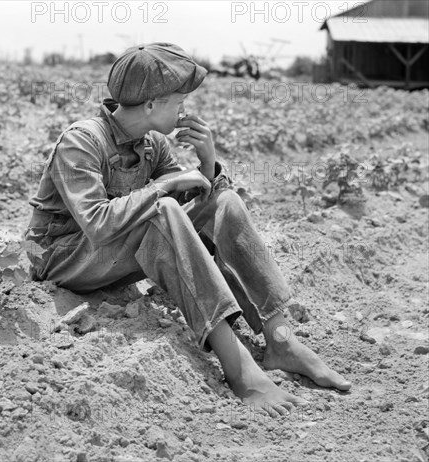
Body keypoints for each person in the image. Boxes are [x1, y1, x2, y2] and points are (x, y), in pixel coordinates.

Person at [25, 43, 351, 417]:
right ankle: (238, 365)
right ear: (151, 104)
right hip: (63, 258)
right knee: (161, 208)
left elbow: (195, 205)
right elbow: (99, 224)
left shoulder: (151, 144)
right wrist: (163, 187)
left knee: (223, 203)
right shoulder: (82, 140)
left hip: (111, 255)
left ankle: (281, 340)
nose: (185, 108)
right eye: (179, 100)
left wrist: (208, 161)